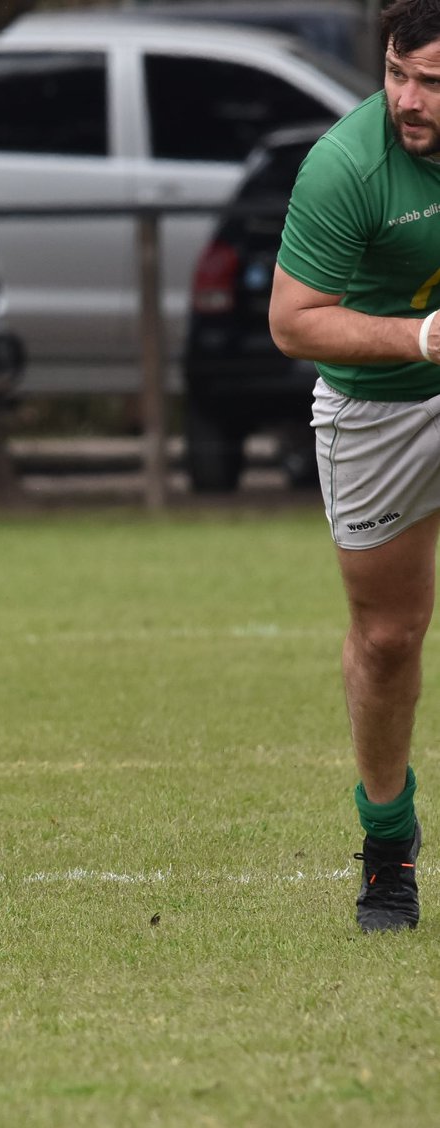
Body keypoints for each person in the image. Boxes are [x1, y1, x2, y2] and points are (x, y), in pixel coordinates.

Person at [270, 0, 440, 932]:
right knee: (388, 638)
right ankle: (388, 845)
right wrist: (420, 337)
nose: (408, 100)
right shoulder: (348, 164)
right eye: (396, 73)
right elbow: (294, 321)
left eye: (433, 83)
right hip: (382, 403)